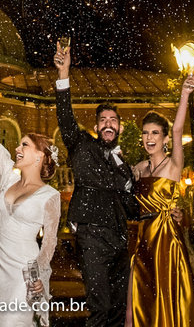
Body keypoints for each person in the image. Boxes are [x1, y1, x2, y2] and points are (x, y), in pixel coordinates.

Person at [53, 40, 140, 327]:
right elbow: (66, 117)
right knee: (99, 306)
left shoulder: (124, 165)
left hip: (119, 236)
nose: (108, 124)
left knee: (117, 306)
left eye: (113, 120)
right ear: (96, 126)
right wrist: (64, 76)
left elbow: (132, 205)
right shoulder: (81, 145)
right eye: (103, 120)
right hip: (91, 232)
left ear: (120, 127)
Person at [0, 81, 61, 326]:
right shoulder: (9, 177)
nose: (17, 148)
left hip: (24, 272)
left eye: (24, 145)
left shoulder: (50, 196)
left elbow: (49, 241)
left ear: (40, 156)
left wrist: (39, 273)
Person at [127, 75, 194, 327]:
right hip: (142, 239)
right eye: (145, 133)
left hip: (166, 241)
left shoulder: (173, 165)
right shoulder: (138, 168)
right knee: (135, 308)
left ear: (163, 138)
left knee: (166, 301)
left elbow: (177, 129)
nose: (149, 137)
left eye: (155, 133)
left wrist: (184, 94)